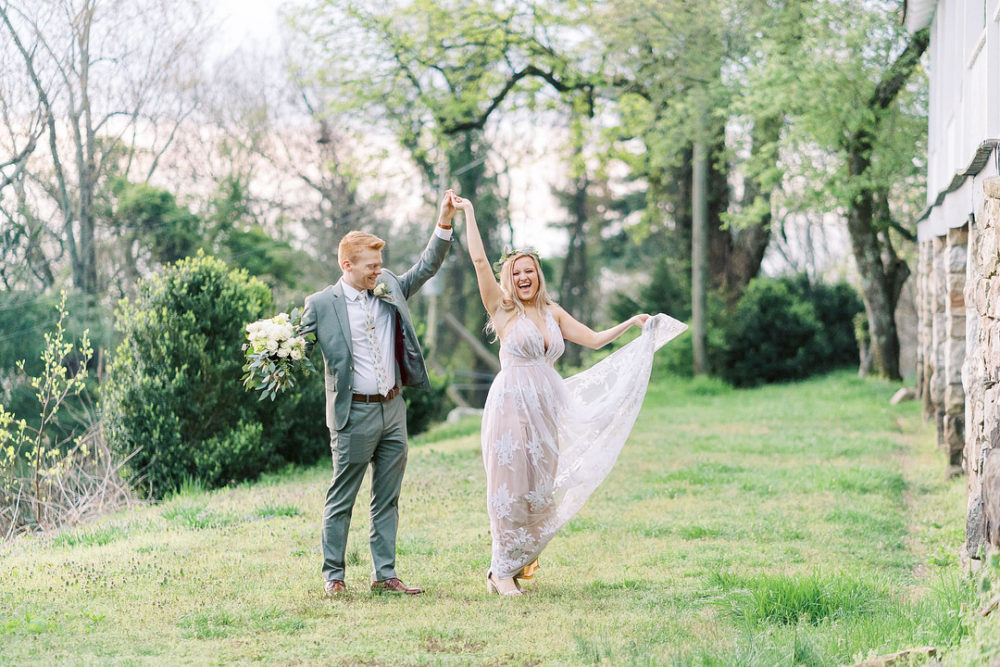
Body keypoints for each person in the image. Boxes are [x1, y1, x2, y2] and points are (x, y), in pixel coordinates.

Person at [452, 193, 687, 596]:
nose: (524, 278)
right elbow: (477, 261)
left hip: (547, 409)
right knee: (509, 486)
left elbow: (594, 341)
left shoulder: (552, 312)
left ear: (538, 275)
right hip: (511, 405)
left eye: (530, 271)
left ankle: (517, 562)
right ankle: (500, 571)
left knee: (541, 488)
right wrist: (469, 213)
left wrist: (632, 324)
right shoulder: (502, 309)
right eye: (516, 273)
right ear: (508, 279)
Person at [300, 190, 457, 597]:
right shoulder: (320, 305)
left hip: (393, 410)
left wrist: (443, 222)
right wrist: (272, 348)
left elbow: (426, 267)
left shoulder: (388, 285)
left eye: (380, 265)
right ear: (347, 265)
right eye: (371, 266)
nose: (379, 272)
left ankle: (384, 575)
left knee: (387, 498)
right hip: (352, 415)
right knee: (342, 498)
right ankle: (333, 577)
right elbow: (294, 348)